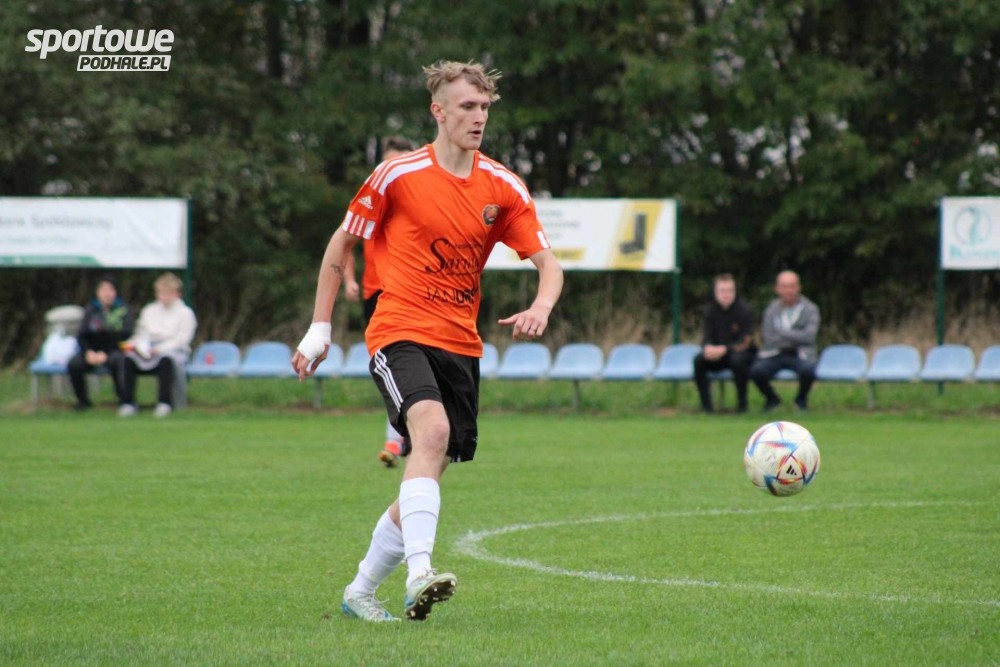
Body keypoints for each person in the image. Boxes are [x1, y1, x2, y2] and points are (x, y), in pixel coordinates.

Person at [292, 60, 563, 623]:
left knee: (428, 469)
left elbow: (549, 264)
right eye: (467, 106)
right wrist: (320, 329)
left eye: (485, 107)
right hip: (398, 330)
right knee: (431, 432)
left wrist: (541, 306)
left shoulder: (503, 186)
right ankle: (420, 574)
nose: (479, 117)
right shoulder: (397, 175)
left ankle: (359, 592)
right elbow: (340, 246)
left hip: (460, 344)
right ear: (438, 111)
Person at [342, 135, 418, 468]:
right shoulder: (370, 200)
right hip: (377, 296)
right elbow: (344, 243)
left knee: (412, 368)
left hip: (415, 296)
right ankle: (401, 436)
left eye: (401, 162)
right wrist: (348, 281)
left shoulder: (421, 201)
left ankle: (400, 437)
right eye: (389, 163)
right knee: (392, 369)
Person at [115, 272, 197, 418]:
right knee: (128, 359)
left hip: (172, 351)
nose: (164, 297)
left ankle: (164, 403)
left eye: (168, 293)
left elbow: (181, 340)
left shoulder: (185, 313)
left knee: (166, 360)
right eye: (161, 293)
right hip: (147, 350)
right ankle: (128, 403)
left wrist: (159, 349)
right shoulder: (149, 310)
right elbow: (141, 333)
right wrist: (134, 345)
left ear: (177, 294)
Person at [750, 270, 820, 411]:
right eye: (784, 287)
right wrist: (796, 336)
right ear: (777, 289)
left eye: (792, 286)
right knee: (757, 371)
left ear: (798, 287)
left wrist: (782, 333)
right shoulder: (771, 310)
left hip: (800, 354)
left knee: (808, 370)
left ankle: (801, 401)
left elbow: (809, 337)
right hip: (775, 353)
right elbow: (769, 339)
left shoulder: (810, 309)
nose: (788, 291)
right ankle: (772, 400)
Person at [68, 275, 134, 411]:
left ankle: (124, 400)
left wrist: (106, 353)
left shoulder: (124, 310)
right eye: (104, 290)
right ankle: (83, 401)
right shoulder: (91, 310)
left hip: (114, 350)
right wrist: (89, 352)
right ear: (98, 292)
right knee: (74, 364)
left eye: (111, 290)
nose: (107, 294)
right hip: (92, 352)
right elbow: (82, 335)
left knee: (119, 361)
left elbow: (126, 335)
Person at [692, 273, 756, 413]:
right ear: (715, 292)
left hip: (740, 354)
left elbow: (745, 341)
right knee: (699, 361)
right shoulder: (709, 311)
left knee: (738, 361)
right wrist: (708, 348)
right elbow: (707, 336)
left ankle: (742, 406)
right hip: (717, 355)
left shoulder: (745, 311)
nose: (726, 294)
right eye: (722, 291)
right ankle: (706, 407)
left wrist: (725, 349)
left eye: (730, 290)